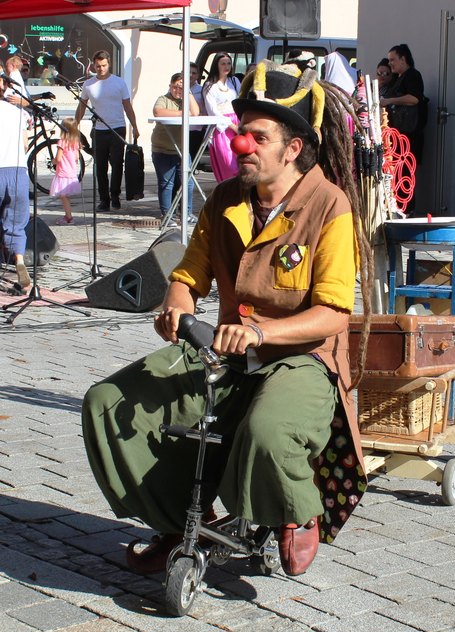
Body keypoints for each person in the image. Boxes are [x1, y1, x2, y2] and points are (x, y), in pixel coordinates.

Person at [82, 58, 373, 578]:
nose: (243, 145)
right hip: (224, 350)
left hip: (301, 359)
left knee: (267, 433)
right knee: (108, 403)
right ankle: (176, 524)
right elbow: (189, 273)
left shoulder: (329, 206)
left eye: (258, 137)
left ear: (293, 148)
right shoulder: (223, 199)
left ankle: (299, 511)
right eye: (241, 133)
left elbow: (332, 314)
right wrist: (177, 304)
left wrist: (262, 331)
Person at [75, 50, 139, 212]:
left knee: (117, 163)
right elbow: (82, 105)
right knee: (100, 166)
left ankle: (115, 195)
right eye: (97, 66)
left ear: (108, 64)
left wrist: (135, 127)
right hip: (99, 129)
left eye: (103, 66)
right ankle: (104, 199)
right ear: (94, 65)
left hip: (117, 127)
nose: (100, 69)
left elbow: (127, 106)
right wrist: (74, 126)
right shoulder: (88, 84)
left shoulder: (119, 82)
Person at [380, 43, 427, 215]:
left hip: (409, 135)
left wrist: (389, 101)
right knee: (396, 172)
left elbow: (414, 99)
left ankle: (408, 210)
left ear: (403, 59)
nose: (390, 63)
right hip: (396, 135)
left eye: (393, 60)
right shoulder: (397, 78)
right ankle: (399, 207)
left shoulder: (413, 75)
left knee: (406, 172)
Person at [151, 72, 200, 222]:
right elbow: (158, 112)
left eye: (181, 87)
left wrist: (188, 93)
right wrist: (181, 113)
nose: (178, 90)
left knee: (188, 183)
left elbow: (195, 113)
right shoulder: (163, 99)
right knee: (167, 184)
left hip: (182, 149)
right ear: (170, 86)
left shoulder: (186, 99)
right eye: (175, 86)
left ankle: (186, 213)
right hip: (163, 148)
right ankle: (167, 215)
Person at [0, 73, 31, 289]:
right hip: (18, 171)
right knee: (16, 224)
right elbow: (26, 143)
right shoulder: (17, 111)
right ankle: (19, 260)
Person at [202, 52, 241, 182]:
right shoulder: (210, 85)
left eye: (229, 63)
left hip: (236, 121)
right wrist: (232, 126)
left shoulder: (234, 82)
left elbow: (240, 101)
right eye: (223, 63)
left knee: (240, 161)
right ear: (216, 65)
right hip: (221, 128)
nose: (226, 66)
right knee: (228, 163)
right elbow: (213, 111)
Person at [50, 117, 82, 225]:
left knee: (63, 196)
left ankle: (69, 217)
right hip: (71, 173)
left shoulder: (62, 142)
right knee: (65, 196)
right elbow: (77, 157)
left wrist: (53, 161)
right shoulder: (75, 142)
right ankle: (68, 214)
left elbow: (58, 158)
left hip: (63, 173)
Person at [188, 62, 206, 162]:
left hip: (195, 131)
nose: (190, 75)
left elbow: (205, 111)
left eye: (194, 73)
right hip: (179, 130)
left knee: (191, 162)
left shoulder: (202, 90)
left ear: (198, 75)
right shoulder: (177, 89)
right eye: (188, 72)